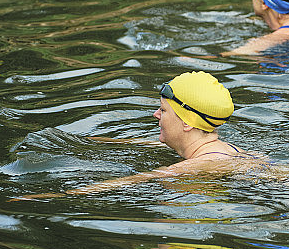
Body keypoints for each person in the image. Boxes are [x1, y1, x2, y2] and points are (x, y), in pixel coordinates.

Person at [14, 71, 259, 199]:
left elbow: (129, 182)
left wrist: (52, 195)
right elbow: (144, 144)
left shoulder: (200, 164)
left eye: (163, 110)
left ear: (187, 122)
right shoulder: (224, 148)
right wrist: (97, 141)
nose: (155, 115)